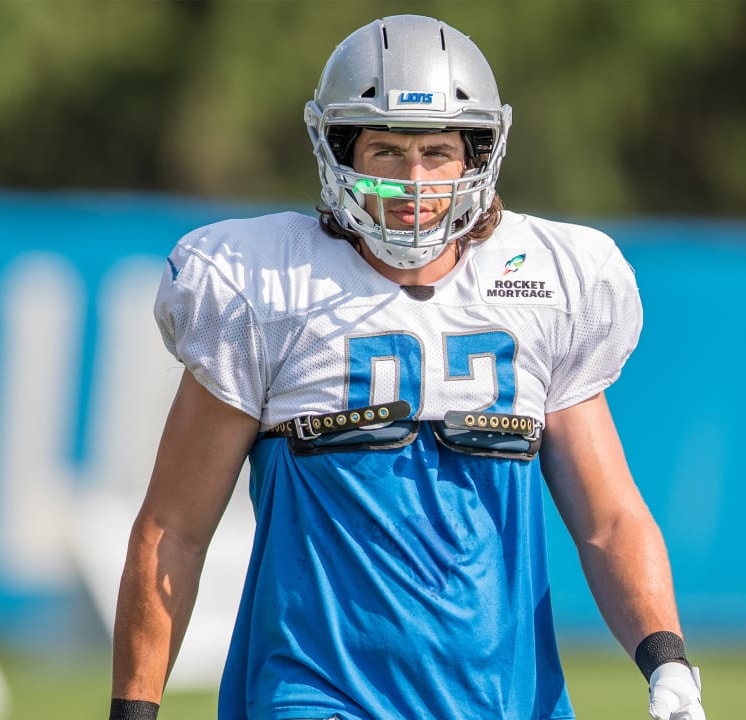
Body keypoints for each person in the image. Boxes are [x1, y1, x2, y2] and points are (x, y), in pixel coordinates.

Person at [109, 13, 705, 720]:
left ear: (478, 155)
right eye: (386, 152)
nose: (413, 180)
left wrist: (668, 662)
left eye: (436, 152)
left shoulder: (544, 288)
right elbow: (173, 527)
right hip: (315, 694)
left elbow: (608, 519)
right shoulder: (264, 289)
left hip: (505, 701)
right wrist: (134, 710)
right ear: (341, 154)